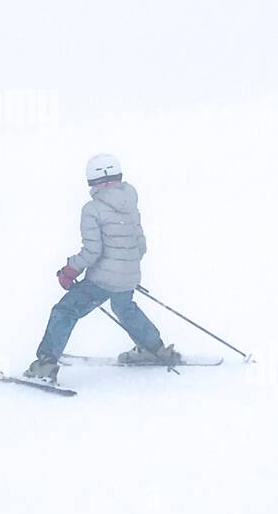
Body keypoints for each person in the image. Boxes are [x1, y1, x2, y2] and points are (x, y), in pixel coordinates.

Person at [24, 154, 181, 383]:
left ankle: (45, 365)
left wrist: (70, 271)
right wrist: (125, 269)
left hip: (103, 279)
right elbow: (141, 245)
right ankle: (155, 349)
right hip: (129, 275)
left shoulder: (92, 209)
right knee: (124, 308)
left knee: (65, 311)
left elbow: (92, 251)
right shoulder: (130, 202)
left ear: (92, 182)